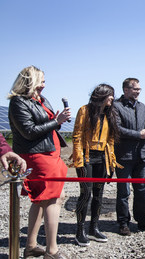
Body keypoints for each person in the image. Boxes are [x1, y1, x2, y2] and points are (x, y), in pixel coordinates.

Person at [8, 66, 71, 259]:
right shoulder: (19, 102)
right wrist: (56, 121)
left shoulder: (41, 100)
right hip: (37, 156)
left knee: (41, 200)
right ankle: (51, 250)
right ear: (30, 81)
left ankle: (31, 245)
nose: (44, 85)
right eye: (41, 81)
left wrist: (58, 121)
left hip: (51, 154)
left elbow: (45, 126)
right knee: (52, 200)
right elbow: (29, 131)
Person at [72, 84, 121, 246]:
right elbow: (77, 135)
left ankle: (94, 227)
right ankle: (80, 231)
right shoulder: (84, 111)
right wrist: (79, 159)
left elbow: (111, 139)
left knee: (98, 195)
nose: (112, 98)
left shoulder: (110, 114)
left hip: (103, 158)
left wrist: (111, 159)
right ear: (100, 95)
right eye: (109, 95)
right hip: (86, 157)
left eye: (113, 95)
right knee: (85, 194)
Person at [114, 78, 145, 236]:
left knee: (141, 190)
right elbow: (117, 130)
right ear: (126, 90)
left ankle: (142, 221)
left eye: (139, 89)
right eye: (135, 89)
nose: (138, 92)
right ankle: (123, 223)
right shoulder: (116, 106)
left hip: (141, 155)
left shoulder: (142, 106)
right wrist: (140, 134)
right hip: (123, 156)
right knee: (123, 192)